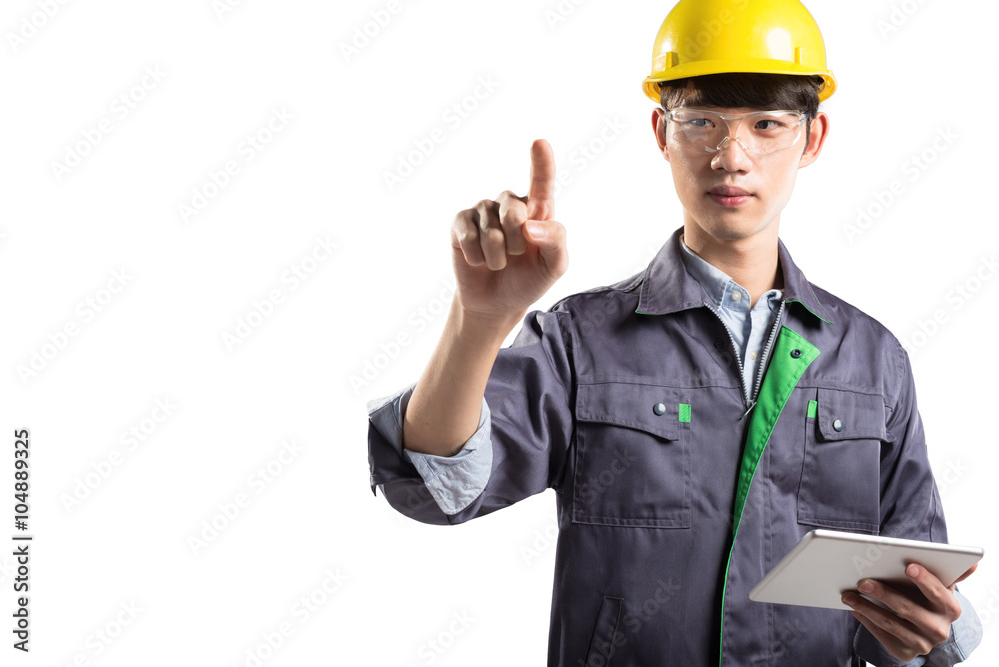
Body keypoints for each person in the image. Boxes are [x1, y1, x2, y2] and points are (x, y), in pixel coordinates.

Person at [366, 0, 983, 664]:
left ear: (813, 137)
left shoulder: (872, 358)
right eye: (702, 123)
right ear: (662, 132)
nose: (731, 155)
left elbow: (911, 589)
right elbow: (434, 483)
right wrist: (480, 321)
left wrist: (938, 633)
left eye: (767, 124)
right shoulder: (584, 342)